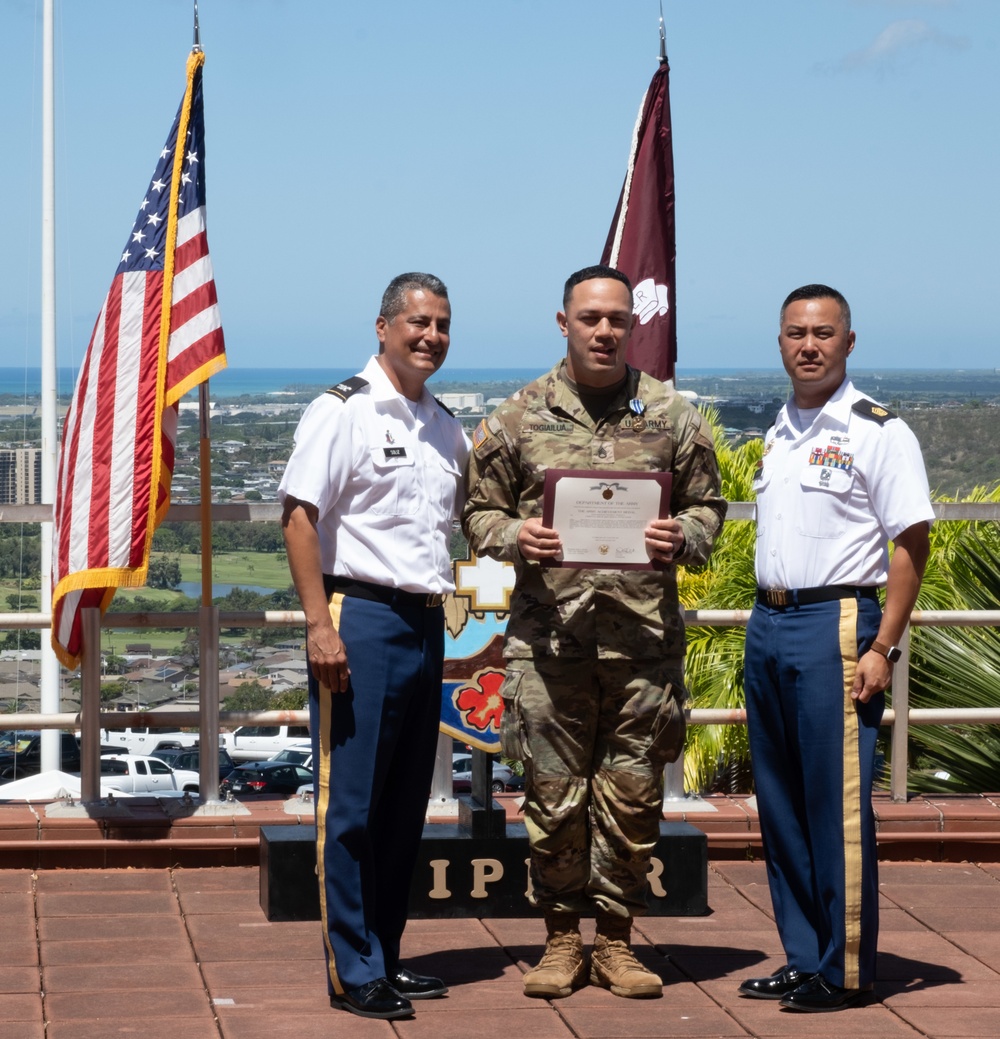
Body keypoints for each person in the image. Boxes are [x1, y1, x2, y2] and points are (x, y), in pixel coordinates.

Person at [462, 265, 726, 1000]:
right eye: (590, 318)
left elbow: (711, 507)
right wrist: (518, 535)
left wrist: (686, 535)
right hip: (550, 647)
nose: (604, 330)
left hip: (644, 647)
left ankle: (615, 940)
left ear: (631, 324)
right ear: (563, 322)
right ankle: (558, 939)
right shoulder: (515, 418)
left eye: (616, 318)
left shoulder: (673, 415)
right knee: (552, 796)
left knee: (634, 795)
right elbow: (475, 516)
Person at [278, 272, 469, 1021]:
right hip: (357, 617)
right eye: (417, 322)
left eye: (443, 325)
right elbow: (298, 516)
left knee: (401, 808)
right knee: (350, 806)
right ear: (383, 326)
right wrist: (319, 623)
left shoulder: (445, 426)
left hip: (423, 621)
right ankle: (351, 968)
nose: (431, 336)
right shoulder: (342, 412)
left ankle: (385, 955)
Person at [739, 284, 934, 1012]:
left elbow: (912, 542)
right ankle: (803, 954)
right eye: (796, 333)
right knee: (782, 801)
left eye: (824, 333)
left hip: (836, 623)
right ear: (781, 342)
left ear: (850, 343)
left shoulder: (878, 430)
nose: (809, 345)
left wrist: (885, 644)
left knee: (837, 804)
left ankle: (846, 966)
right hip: (768, 622)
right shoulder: (778, 430)